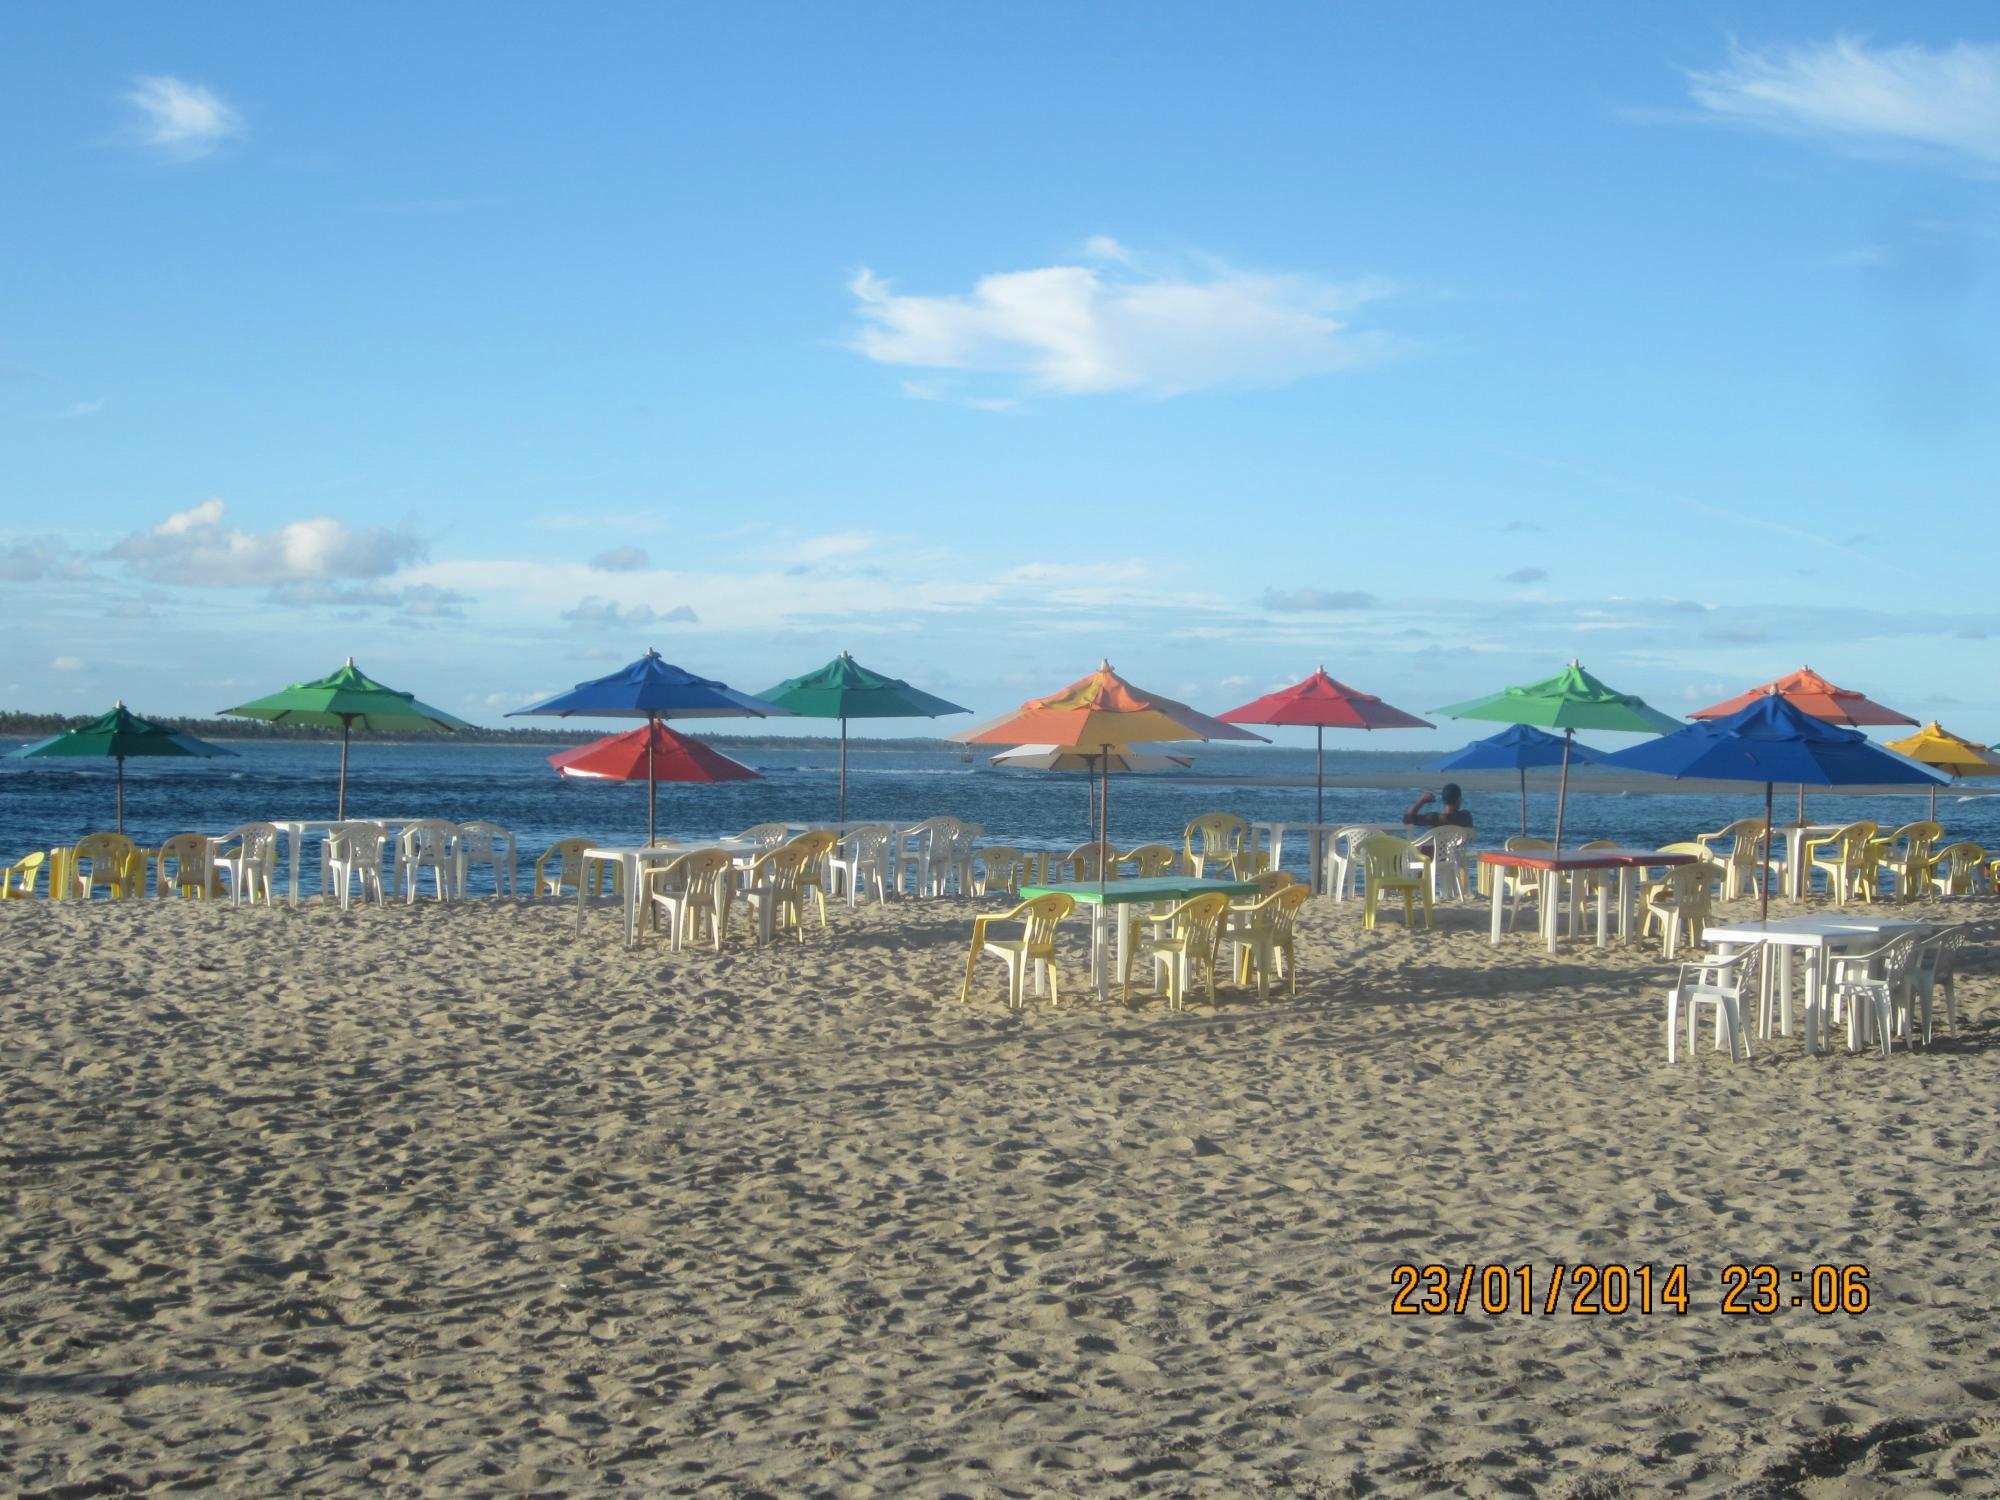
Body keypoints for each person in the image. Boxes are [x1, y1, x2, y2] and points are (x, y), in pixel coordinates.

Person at [1404, 782, 1473, 830]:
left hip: (1438, 850)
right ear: (1459, 799)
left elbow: (1407, 819)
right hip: (1458, 851)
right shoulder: (1466, 816)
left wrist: (1422, 801)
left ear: (1443, 800)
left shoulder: (1435, 818)